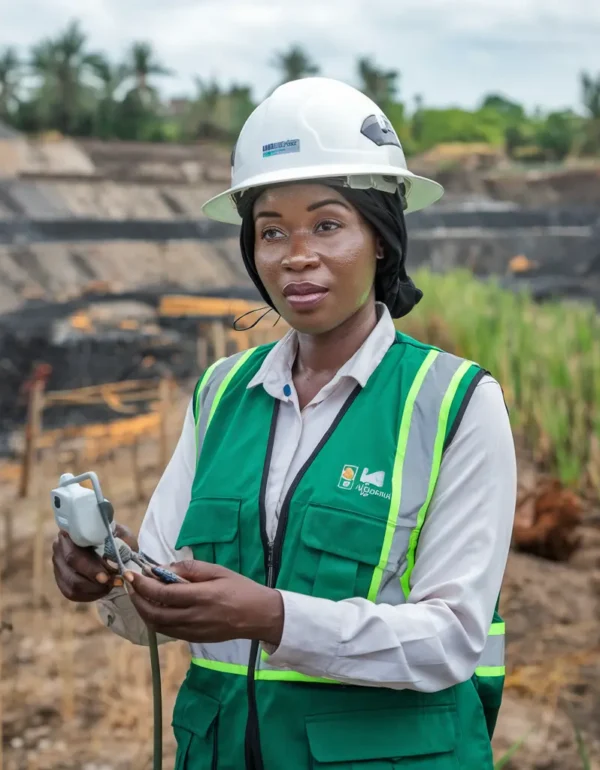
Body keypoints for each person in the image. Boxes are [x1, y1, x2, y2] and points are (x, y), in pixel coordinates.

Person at [51, 77, 517, 770]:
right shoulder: (221, 393)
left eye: (327, 225)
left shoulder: (454, 403)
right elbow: (163, 600)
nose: (296, 254)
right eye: (271, 231)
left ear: (381, 237)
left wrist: (275, 617)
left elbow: (451, 639)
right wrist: (112, 576)